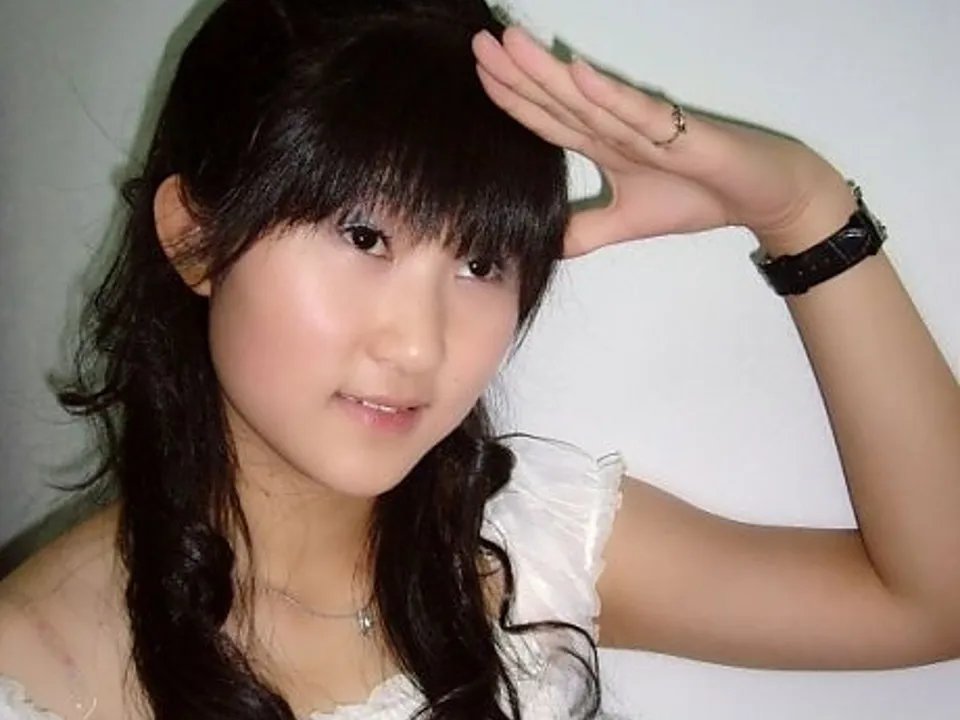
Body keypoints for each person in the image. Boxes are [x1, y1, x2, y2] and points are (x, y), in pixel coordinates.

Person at [0, 0, 958, 718]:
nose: (421, 344)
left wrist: (802, 209)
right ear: (194, 240)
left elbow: (932, 602)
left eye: (480, 262)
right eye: (365, 237)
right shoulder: (36, 667)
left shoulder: (522, 547)